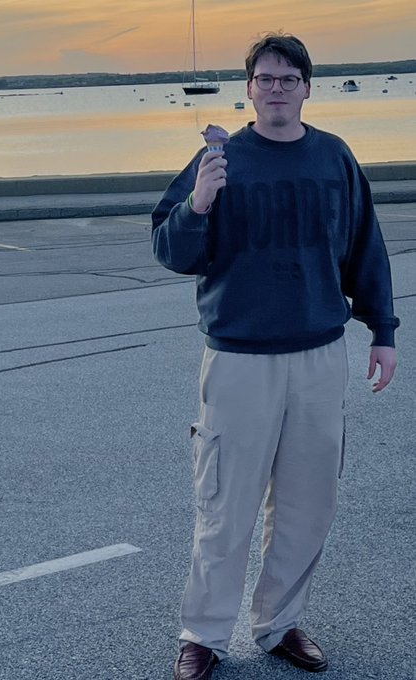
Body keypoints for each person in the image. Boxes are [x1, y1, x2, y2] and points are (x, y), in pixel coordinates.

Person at [151, 32, 399, 680]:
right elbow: (171, 251)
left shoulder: (333, 156)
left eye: (289, 79)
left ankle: (279, 624)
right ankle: (203, 635)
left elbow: (364, 246)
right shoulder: (219, 159)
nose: (277, 89)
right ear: (250, 89)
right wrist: (198, 203)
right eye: (266, 79)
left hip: (318, 355)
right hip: (239, 359)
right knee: (224, 505)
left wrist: (383, 329)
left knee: (306, 504)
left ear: (307, 88)